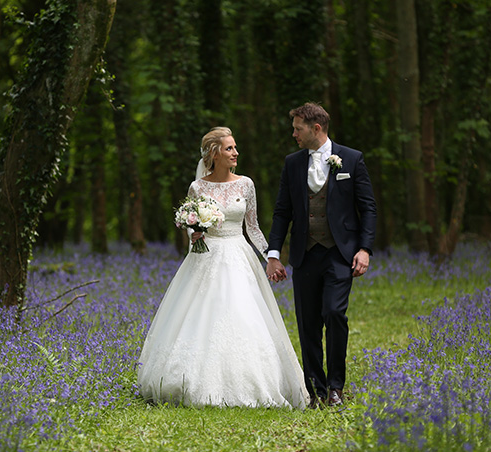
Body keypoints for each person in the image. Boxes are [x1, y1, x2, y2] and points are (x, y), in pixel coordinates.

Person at [138, 127, 309, 409]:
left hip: (239, 255)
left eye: (235, 148)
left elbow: (252, 227)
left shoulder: (246, 184)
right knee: (202, 314)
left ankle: (251, 380)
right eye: (229, 148)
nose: (235, 153)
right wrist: (195, 234)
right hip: (206, 258)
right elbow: (194, 225)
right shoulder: (198, 187)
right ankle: (189, 380)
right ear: (214, 153)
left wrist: (270, 256)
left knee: (243, 313)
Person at [266, 103, 377, 408]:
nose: (293, 134)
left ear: (316, 129)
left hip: (339, 253)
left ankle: (336, 387)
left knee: (334, 313)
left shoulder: (352, 159)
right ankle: (315, 390)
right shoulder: (292, 163)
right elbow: (282, 212)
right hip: (304, 254)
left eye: (297, 128)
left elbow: (367, 207)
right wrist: (274, 254)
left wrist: (364, 249)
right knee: (308, 322)